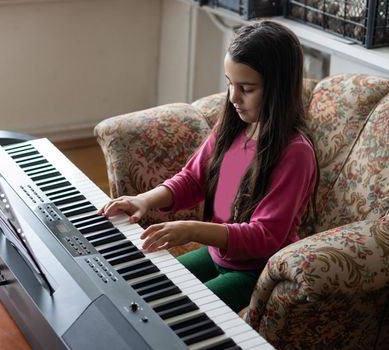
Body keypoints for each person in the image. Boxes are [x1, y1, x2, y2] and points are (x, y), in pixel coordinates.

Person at [98, 20, 319, 313]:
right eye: (230, 83)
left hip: (254, 271)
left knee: (176, 313)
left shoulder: (295, 154)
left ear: (279, 88)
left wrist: (192, 229)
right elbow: (193, 179)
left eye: (247, 88)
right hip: (217, 255)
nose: (233, 98)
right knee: (143, 289)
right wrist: (144, 200)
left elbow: (264, 235)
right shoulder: (233, 128)